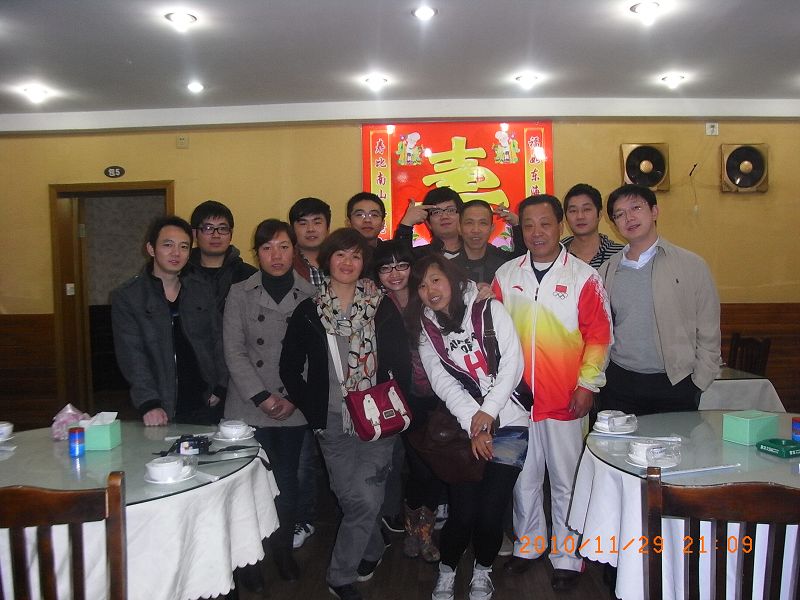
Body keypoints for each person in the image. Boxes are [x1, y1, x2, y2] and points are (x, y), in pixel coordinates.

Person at [279, 228, 411, 600]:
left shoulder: (380, 306)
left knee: (365, 500)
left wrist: (394, 400)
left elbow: (401, 361)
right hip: (332, 421)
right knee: (351, 498)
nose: (348, 262)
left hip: (377, 419)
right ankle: (372, 546)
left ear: (363, 262)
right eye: (340, 255)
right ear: (328, 260)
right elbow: (290, 367)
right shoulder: (309, 310)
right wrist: (313, 409)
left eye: (355, 255)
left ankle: (339, 576)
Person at [492, 195, 613, 591]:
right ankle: (528, 546)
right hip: (516, 401)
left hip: (566, 398)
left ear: (560, 226)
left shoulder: (583, 277)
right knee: (523, 477)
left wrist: (587, 385)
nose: (537, 232)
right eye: (528, 225)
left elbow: (599, 337)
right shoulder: (506, 275)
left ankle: (568, 556)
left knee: (567, 480)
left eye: (545, 223)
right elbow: (492, 335)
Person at [407, 255, 530, 600]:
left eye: (435, 280)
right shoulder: (426, 329)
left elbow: (513, 363)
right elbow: (443, 383)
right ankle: (447, 570)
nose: (430, 290)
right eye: (421, 285)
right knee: (463, 512)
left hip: (511, 422)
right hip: (465, 428)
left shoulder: (489, 308)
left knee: (491, 513)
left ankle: (483, 570)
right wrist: (476, 426)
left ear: (451, 278)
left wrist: (488, 413)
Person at [223, 219, 317, 582]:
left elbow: (315, 355)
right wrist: (262, 397)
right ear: (256, 253)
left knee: (287, 483)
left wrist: (293, 396)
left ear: (294, 251)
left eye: (283, 246)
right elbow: (234, 350)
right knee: (247, 483)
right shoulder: (239, 292)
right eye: (266, 248)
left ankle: (282, 551)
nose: (275, 255)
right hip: (248, 404)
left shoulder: (311, 294)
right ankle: (249, 562)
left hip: (293, 406)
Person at [597, 184, 721, 415]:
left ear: (654, 211)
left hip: (675, 383)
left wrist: (699, 382)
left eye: (636, 208)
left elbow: (709, 329)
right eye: (620, 214)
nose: (629, 218)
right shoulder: (607, 270)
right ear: (614, 224)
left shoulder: (691, 265)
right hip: (619, 382)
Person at [111, 216, 227, 426]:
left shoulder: (201, 290)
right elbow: (132, 356)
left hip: (205, 401)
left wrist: (221, 385)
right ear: (151, 249)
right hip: (159, 407)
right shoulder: (129, 297)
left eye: (184, 246)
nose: (176, 253)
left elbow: (218, 340)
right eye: (168, 245)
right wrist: (149, 402)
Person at [372, 241, 443, 563]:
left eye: (402, 265)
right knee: (418, 468)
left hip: (439, 396)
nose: (395, 273)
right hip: (400, 398)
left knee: (433, 467)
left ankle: (423, 532)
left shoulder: (426, 296)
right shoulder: (375, 303)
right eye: (386, 268)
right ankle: (418, 532)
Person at [288, 196, 332, 549]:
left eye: (317, 221)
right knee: (302, 455)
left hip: (341, 370)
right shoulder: (285, 264)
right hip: (302, 370)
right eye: (303, 222)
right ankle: (303, 518)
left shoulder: (341, 259)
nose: (311, 228)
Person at [188, 200, 257, 311]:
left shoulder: (249, 277)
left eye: (223, 228)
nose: (216, 235)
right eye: (208, 228)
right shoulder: (182, 274)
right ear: (194, 234)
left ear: (231, 234)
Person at [452, 199, 524, 284]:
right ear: (459, 228)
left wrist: (517, 224)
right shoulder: (448, 268)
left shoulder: (505, 264)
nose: (476, 230)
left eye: (483, 223)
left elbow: (523, 259)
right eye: (469, 223)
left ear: (492, 228)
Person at [560, 184, 624, 268]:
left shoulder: (621, 255)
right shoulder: (556, 255)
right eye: (573, 211)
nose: (580, 216)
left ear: (599, 214)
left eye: (587, 209)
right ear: (566, 217)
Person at [290, 196, 331, 287]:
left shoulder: (340, 261)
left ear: (328, 228)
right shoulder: (285, 263)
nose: (310, 229)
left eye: (317, 223)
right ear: (292, 229)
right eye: (303, 224)